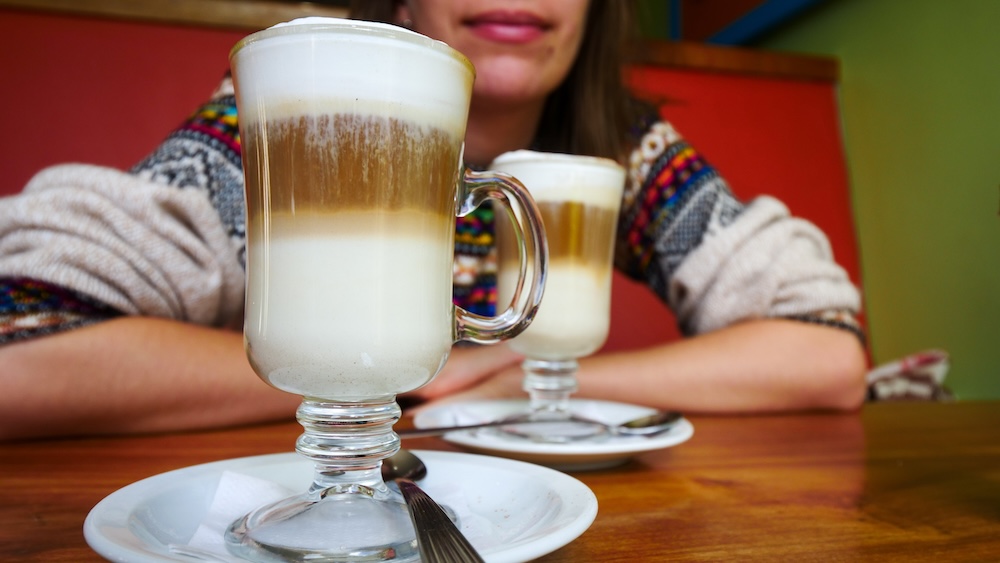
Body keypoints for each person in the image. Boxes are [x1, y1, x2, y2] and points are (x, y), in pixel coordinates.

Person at [0, 0, 866, 441]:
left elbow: (825, 349)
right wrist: (403, 372)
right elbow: (22, 344)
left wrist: (520, 377)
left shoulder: (622, 155)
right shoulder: (287, 119)